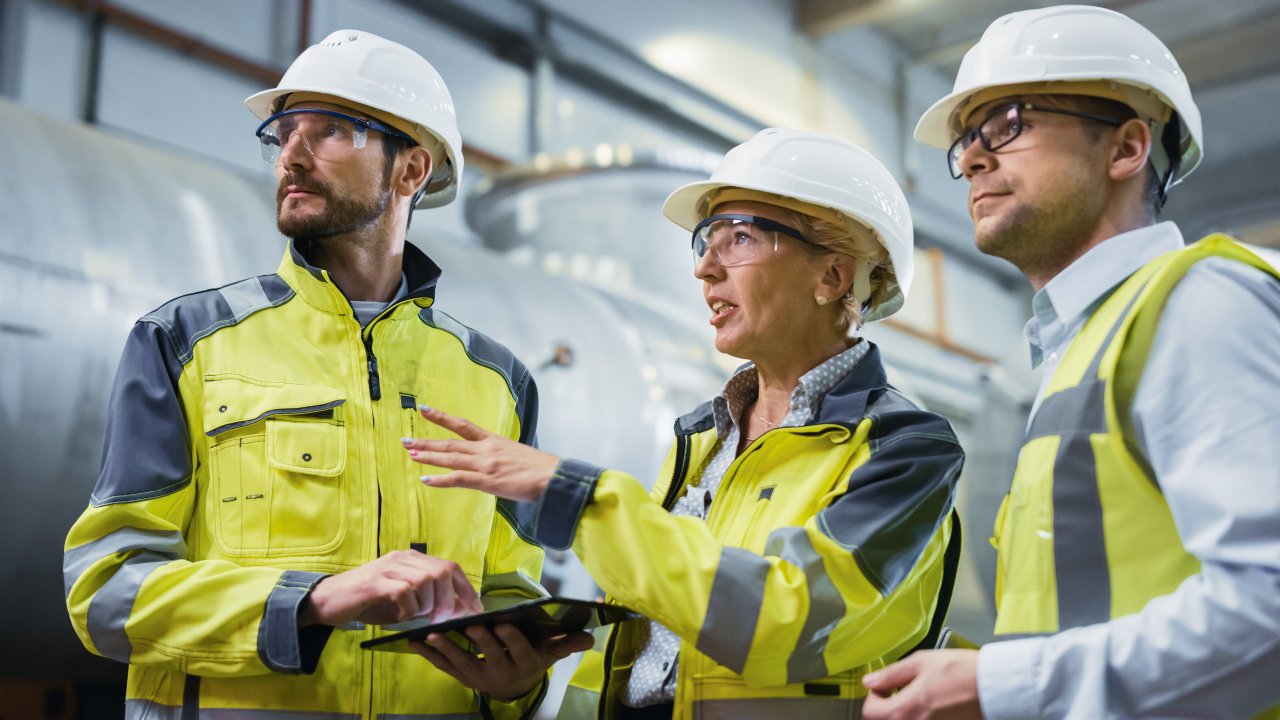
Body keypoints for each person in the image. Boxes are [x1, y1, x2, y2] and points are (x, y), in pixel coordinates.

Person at [62, 29, 587, 719]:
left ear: (411, 170)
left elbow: (510, 591)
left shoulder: (497, 380)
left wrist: (516, 686)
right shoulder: (186, 342)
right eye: (284, 132)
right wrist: (309, 602)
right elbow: (105, 595)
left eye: (332, 131)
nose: (292, 156)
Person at [401, 128, 965, 719]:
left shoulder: (907, 451)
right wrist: (518, 688)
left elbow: (787, 623)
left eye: (739, 239)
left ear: (833, 278)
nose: (705, 269)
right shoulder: (701, 439)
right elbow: (630, 655)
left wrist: (577, 494)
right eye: (705, 242)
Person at [862, 6, 1280, 719]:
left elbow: (1268, 600)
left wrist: (1002, 685)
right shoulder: (1080, 349)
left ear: (1126, 149)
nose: (970, 159)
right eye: (966, 139)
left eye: (1010, 123)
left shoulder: (1197, 304)